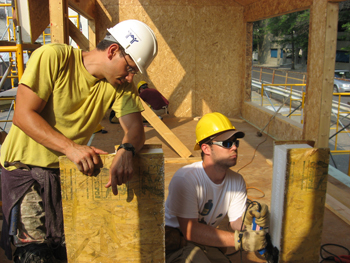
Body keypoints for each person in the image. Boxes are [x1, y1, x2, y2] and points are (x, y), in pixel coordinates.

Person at [0, 19, 158, 262]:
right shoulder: (54, 58)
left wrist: (127, 150)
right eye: (130, 68)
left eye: (134, 72)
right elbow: (22, 116)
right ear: (113, 51)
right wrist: (71, 148)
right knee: (33, 255)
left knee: (69, 250)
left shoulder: (119, 86)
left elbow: (136, 129)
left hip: (64, 175)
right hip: (23, 171)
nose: (130, 78)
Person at [165, 112, 269, 263]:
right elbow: (190, 231)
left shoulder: (237, 181)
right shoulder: (186, 179)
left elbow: (234, 221)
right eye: (227, 143)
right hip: (174, 242)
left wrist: (249, 223)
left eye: (235, 142)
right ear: (206, 148)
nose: (234, 147)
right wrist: (240, 240)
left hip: (200, 240)